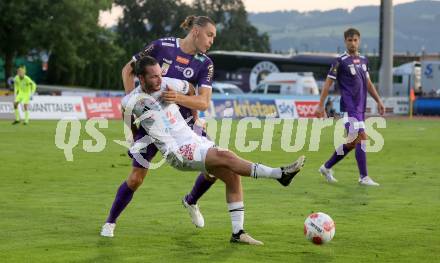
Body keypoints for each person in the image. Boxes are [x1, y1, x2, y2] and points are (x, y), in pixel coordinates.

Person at [111, 56, 306, 244]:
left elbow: (191, 89)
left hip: (194, 139)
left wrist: (191, 113)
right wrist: (135, 140)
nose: (159, 79)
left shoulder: (167, 83)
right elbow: (128, 120)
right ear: (141, 78)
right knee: (226, 156)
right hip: (177, 152)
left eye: (159, 74)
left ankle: (238, 232)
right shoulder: (131, 101)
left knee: (231, 175)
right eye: (153, 76)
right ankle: (279, 174)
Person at [102, 16, 220, 236]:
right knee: (136, 178)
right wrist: (134, 101)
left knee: (214, 168)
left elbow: (195, 93)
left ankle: (191, 201)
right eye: (210, 34)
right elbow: (128, 69)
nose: (212, 40)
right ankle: (110, 222)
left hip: (183, 122)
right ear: (196, 31)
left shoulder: (204, 62)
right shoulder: (162, 46)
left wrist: (195, 117)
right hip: (151, 123)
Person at [315, 28, 385, 186]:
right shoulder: (339, 61)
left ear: (359, 41)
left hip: (360, 108)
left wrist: (379, 101)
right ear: (345, 41)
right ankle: (364, 177)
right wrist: (320, 105)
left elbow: (368, 84)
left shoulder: (364, 61)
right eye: (349, 40)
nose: (352, 43)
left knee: (352, 143)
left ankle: (326, 167)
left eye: (355, 40)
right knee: (362, 138)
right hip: (348, 107)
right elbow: (327, 84)